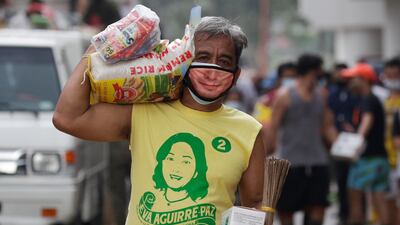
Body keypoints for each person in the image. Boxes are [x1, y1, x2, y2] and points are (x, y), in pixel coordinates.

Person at [53, 16, 265, 225]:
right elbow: (67, 118)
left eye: (224, 61)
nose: (212, 69)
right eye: (203, 57)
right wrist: (97, 49)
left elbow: (254, 205)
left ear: (236, 75)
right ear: (186, 59)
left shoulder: (248, 131)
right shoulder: (144, 112)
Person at [267, 54, 337, 225]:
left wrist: (343, 147)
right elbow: (273, 126)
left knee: (318, 207)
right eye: (318, 73)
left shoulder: (321, 95)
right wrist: (267, 153)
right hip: (291, 163)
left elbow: (327, 125)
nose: (320, 78)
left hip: (317, 161)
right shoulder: (285, 96)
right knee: (286, 211)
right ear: (312, 72)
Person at [342, 62, 390, 225]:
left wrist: (354, 143)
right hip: (381, 160)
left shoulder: (368, 100)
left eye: (353, 78)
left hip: (366, 160)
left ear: (363, 79)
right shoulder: (373, 99)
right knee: (379, 200)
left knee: (354, 196)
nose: (350, 83)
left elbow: (367, 122)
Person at [327, 63, 359, 225]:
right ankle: (343, 211)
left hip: (354, 140)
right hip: (338, 141)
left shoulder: (355, 94)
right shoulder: (332, 93)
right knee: (340, 178)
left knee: (354, 180)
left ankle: (356, 213)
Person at [381, 57, 400, 225]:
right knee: (388, 199)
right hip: (386, 156)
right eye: (389, 75)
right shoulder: (383, 98)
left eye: (396, 76)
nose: (392, 80)